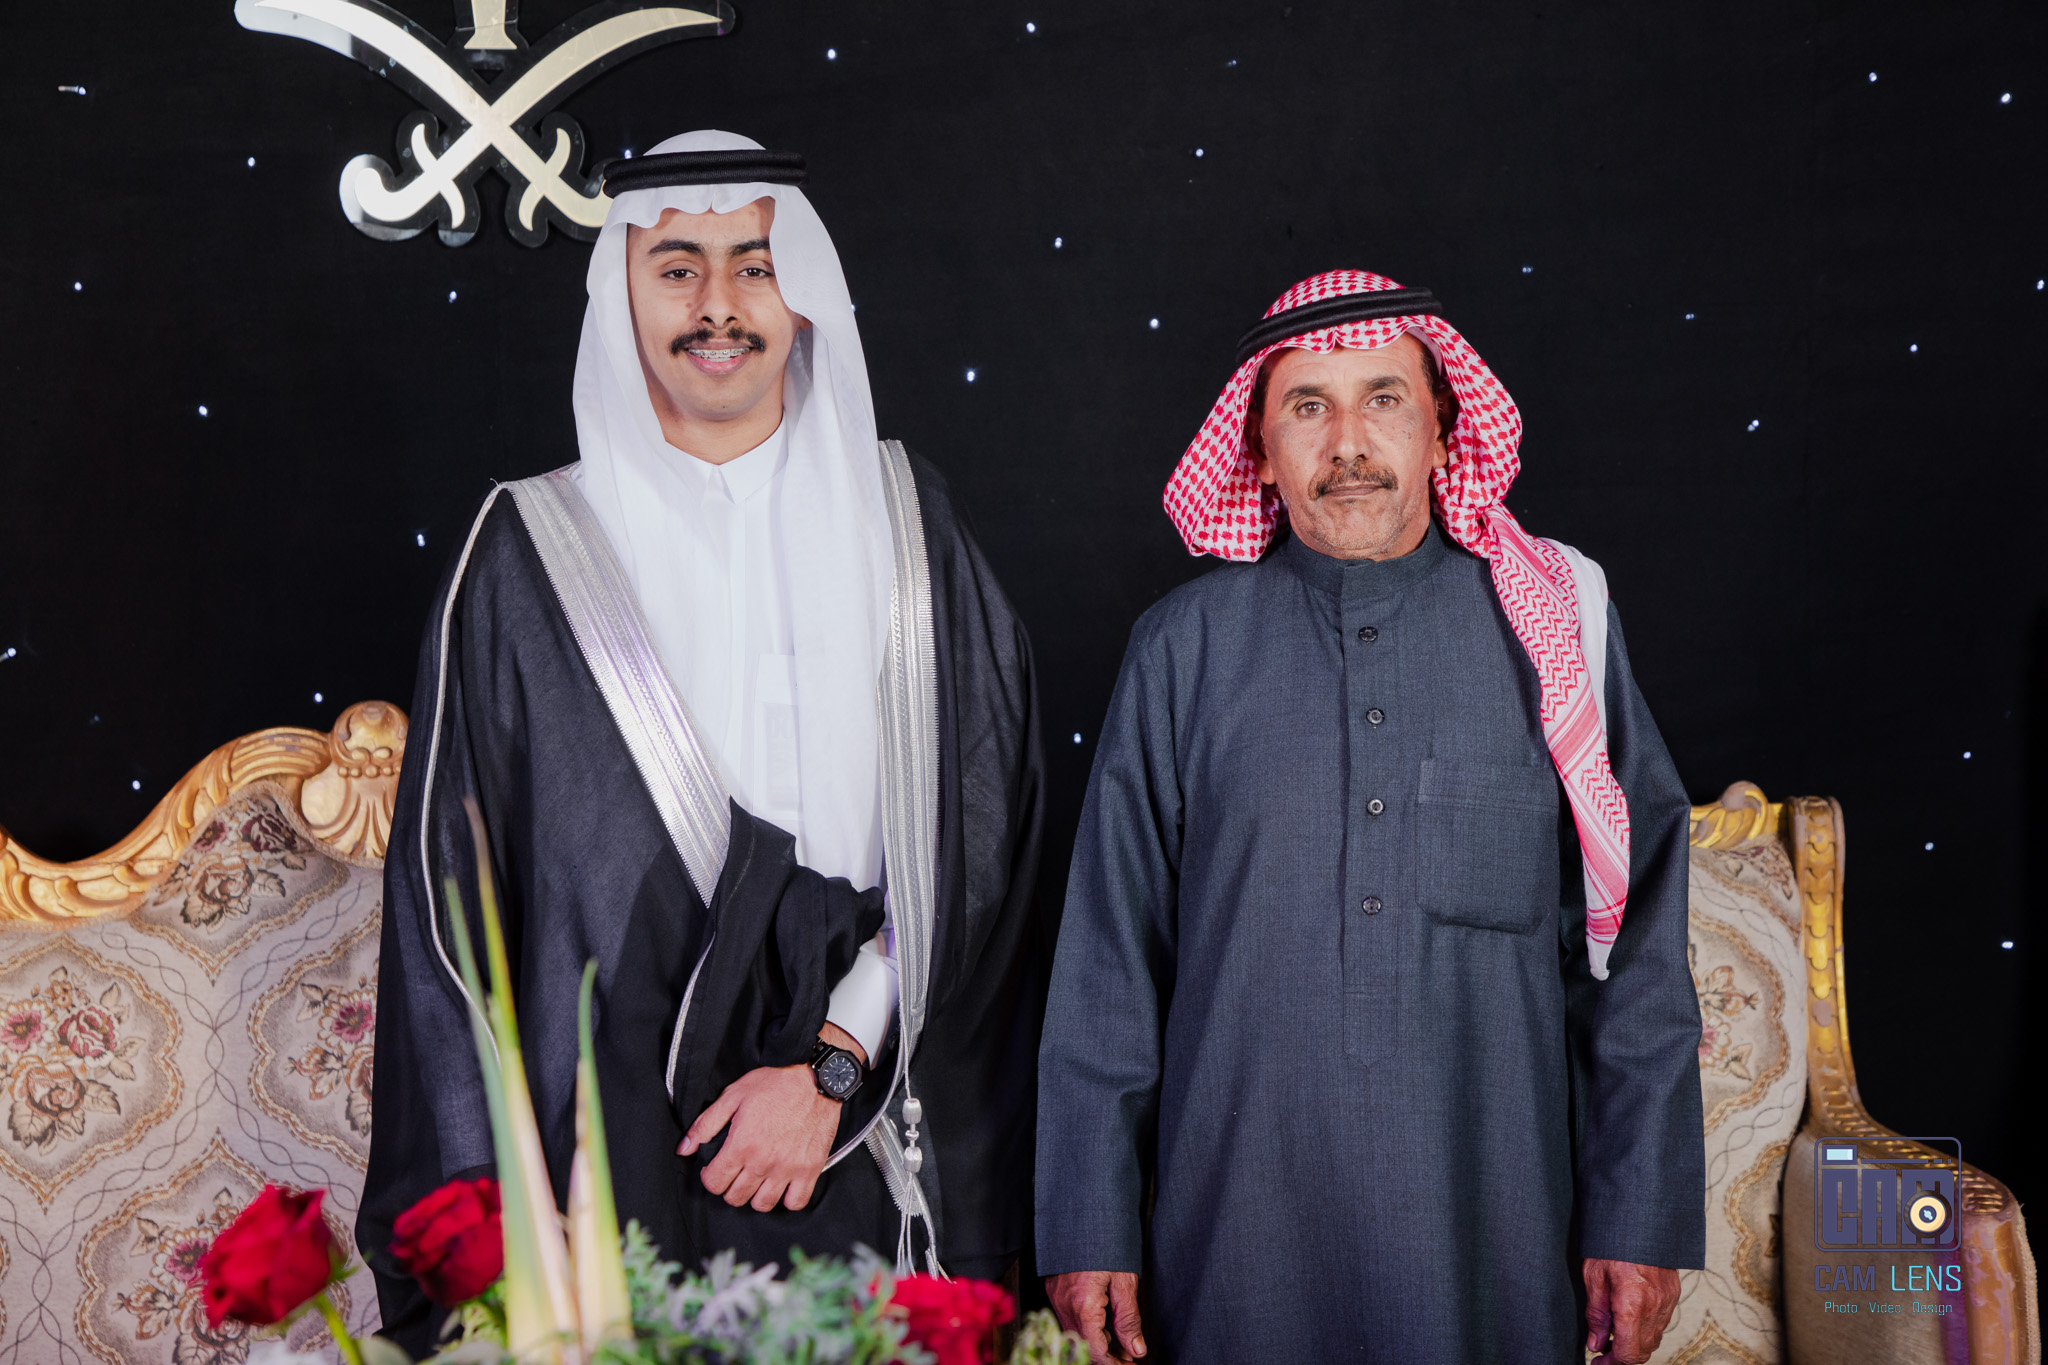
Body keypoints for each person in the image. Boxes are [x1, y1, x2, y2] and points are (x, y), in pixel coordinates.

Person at [361, 131, 1046, 1351]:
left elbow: (982, 835)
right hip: (613, 1159)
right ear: (621, 297)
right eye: (677, 268)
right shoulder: (526, 553)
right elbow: (447, 910)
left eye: (755, 266)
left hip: (864, 1118)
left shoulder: (907, 527)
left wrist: (833, 1065)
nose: (718, 306)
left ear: (806, 296)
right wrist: (501, 1218)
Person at [1035, 271, 1703, 1364]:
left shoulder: (1551, 634)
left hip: (1498, 1239)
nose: (1348, 442)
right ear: (1257, 449)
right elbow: (1108, 963)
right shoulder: (1181, 651)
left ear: (1441, 427)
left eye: (1383, 398)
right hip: (1232, 1245)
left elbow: (1634, 951)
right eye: (1308, 406)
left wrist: (1638, 1215)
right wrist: (1087, 1223)